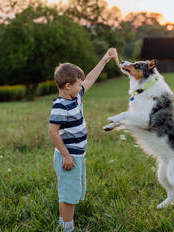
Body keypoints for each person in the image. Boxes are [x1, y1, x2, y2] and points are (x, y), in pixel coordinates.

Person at [49, 48, 118, 232]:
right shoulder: (60, 106)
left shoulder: (76, 97)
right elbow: (53, 133)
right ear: (67, 86)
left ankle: (67, 224)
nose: (82, 87)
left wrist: (104, 60)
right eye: (78, 85)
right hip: (68, 158)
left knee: (75, 192)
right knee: (68, 195)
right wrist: (66, 156)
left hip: (77, 156)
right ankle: (66, 228)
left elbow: (89, 79)